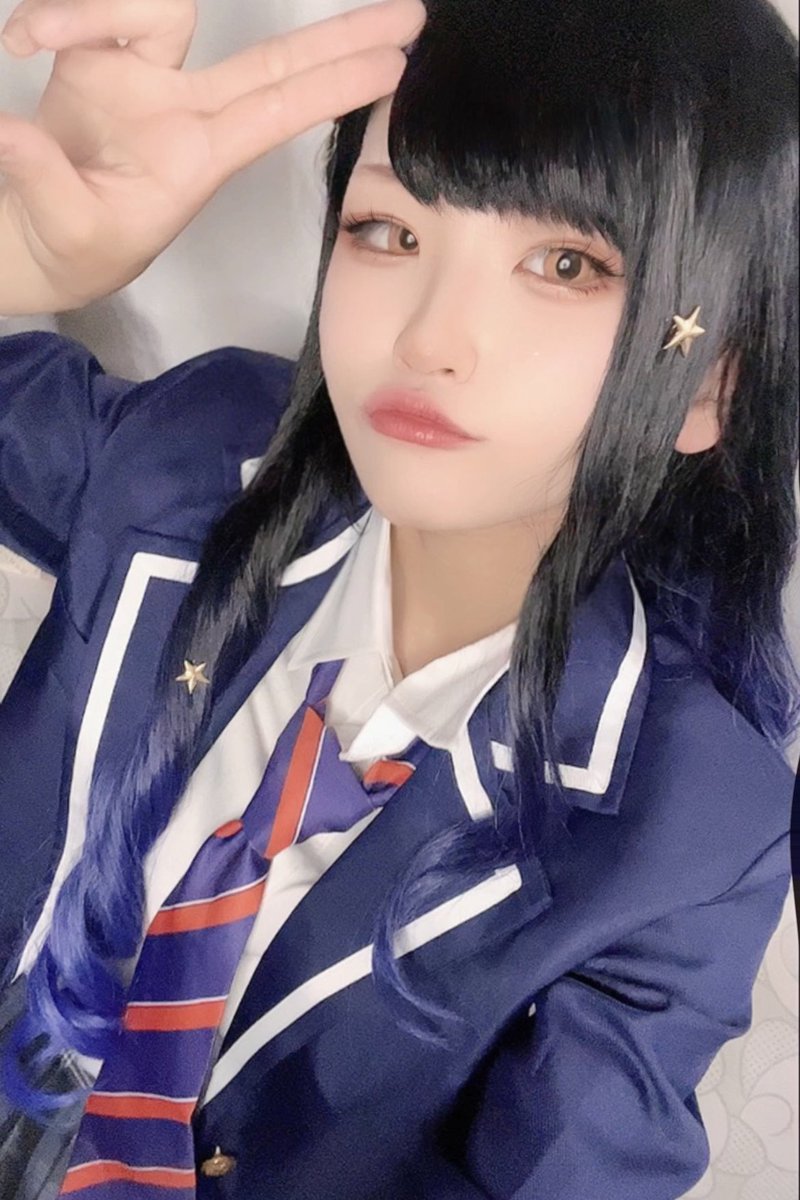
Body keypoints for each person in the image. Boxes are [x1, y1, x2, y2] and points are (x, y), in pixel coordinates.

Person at [0, 0, 798, 1196]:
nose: (430, 337)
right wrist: (18, 260)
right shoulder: (191, 453)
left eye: (566, 263)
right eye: (387, 230)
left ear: (708, 387)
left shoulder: (688, 821)